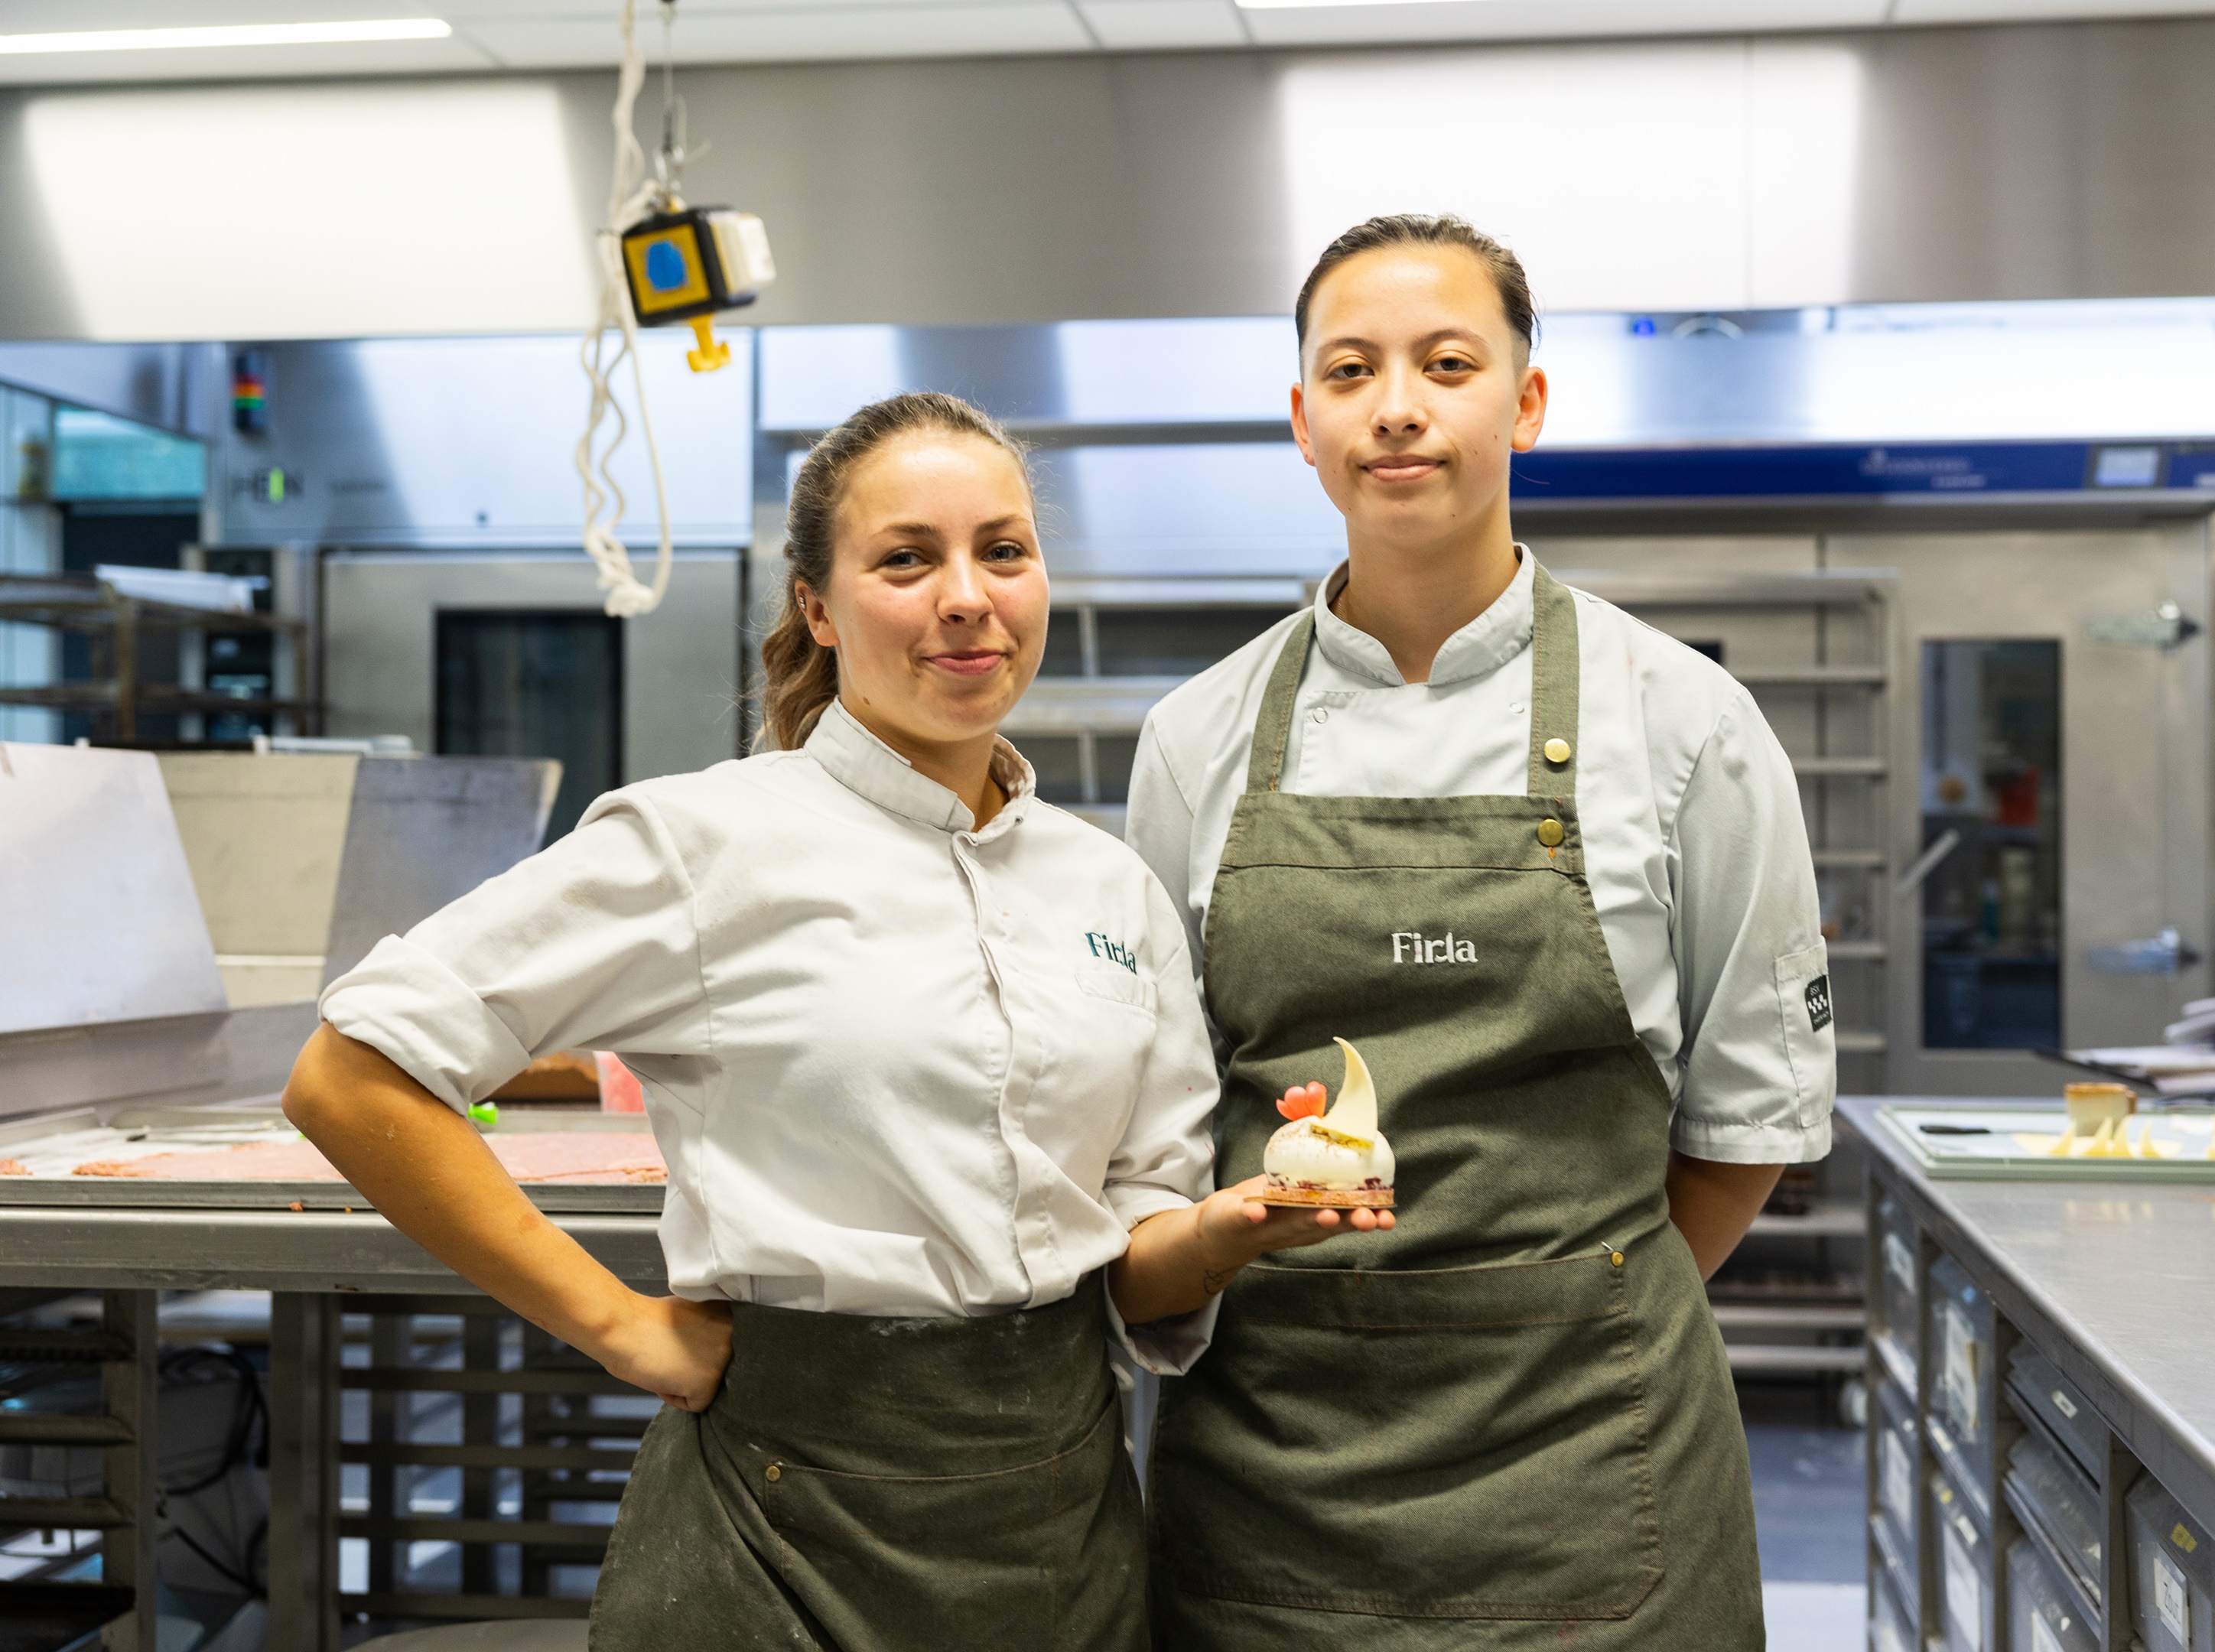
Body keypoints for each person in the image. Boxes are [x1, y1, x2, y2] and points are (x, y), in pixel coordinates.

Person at [281, 390, 1374, 1650]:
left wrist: (1230, 1231)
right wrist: (620, 1325)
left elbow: (1132, 1251)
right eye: (906, 559)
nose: (967, 596)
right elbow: (350, 1073)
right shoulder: (705, 844)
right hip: (777, 1533)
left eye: (1002, 551)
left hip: (1060, 1527)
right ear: (818, 603)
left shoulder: (1107, 886)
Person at [1124, 216, 1837, 1648]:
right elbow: (1158, 1110)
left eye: (1447, 364)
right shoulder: (1196, 738)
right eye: (1350, 370)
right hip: (1275, 1462)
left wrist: (1564, 1306)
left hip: (1591, 1456)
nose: (1397, 405)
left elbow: (1751, 1118)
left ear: (1525, 403)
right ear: (1303, 424)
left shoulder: (1687, 725)